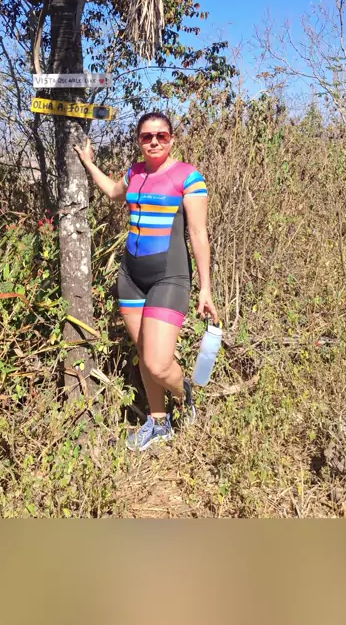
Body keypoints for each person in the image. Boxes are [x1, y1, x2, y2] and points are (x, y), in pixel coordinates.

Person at [75, 111, 218, 451]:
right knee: (143, 353)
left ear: (172, 138)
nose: (154, 142)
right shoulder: (135, 172)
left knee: (158, 362)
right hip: (131, 277)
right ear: (139, 141)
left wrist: (206, 288)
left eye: (161, 136)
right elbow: (113, 192)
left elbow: (199, 234)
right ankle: (158, 422)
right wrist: (89, 163)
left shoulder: (188, 177)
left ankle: (184, 394)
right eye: (146, 136)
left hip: (169, 277)